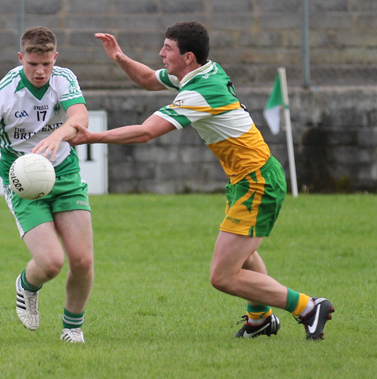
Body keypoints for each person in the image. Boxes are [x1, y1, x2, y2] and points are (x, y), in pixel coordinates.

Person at [32, 21, 334, 340]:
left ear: (188, 56)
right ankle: (259, 320)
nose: (161, 53)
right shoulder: (202, 71)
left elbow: (147, 131)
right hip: (247, 178)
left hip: (258, 181)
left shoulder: (199, 92)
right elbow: (149, 80)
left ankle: (308, 307)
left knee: (223, 275)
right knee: (243, 254)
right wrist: (119, 57)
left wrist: (93, 136)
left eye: (168, 49)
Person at [0, 26, 93, 343]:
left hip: (63, 172)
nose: (40, 71)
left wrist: (58, 135)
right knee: (50, 263)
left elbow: (80, 117)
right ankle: (26, 284)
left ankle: (72, 328)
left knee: (82, 260)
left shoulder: (64, 78)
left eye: (46, 63)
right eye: (33, 63)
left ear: (55, 58)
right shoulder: (2, 94)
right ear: (21, 58)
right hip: (22, 180)